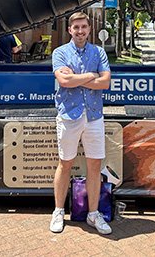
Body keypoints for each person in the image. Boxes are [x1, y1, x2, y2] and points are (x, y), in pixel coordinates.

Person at [50, 12, 111, 234]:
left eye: (83, 27)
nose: (80, 31)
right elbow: (64, 80)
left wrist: (78, 76)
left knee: (94, 166)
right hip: (69, 115)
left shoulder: (99, 52)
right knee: (65, 163)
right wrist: (91, 75)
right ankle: (58, 211)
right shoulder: (60, 53)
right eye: (76, 27)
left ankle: (93, 215)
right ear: (69, 30)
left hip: (94, 116)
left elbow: (105, 83)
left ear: (89, 29)